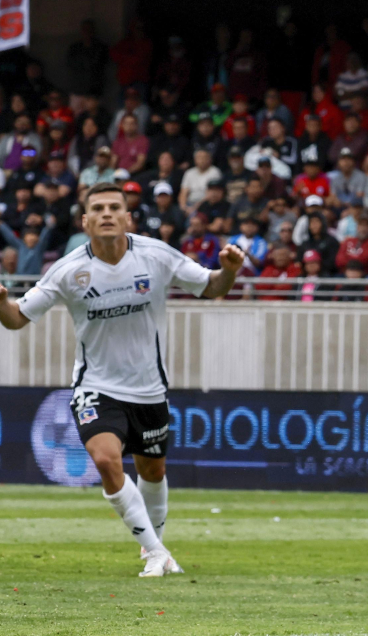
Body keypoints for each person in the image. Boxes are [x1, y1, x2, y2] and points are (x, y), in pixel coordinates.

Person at [0, 182, 242, 576]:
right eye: (98, 209)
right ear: (85, 221)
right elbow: (16, 319)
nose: (107, 214)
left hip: (149, 389)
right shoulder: (66, 270)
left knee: (153, 471)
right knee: (106, 460)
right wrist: (0, 303)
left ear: (128, 217)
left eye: (115, 207)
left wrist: (229, 270)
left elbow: (211, 287)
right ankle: (156, 551)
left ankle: (155, 549)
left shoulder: (156, 256)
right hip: (96, 387)